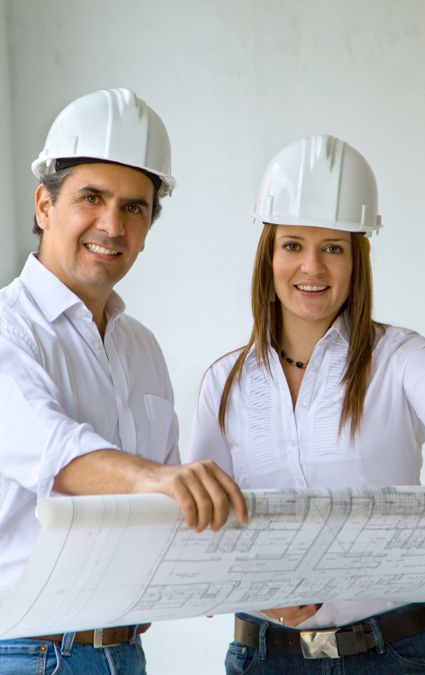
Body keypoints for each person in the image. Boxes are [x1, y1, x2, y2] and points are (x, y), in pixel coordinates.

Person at [0, 87, 247, 675]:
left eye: (134, 207)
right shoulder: (8, 331)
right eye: (92, 197)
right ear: (44, 205)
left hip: (124, 651)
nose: (112, 225)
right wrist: (160, 478)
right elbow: (57, 453)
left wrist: (254, 586)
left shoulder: (139, 348)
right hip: (25, 651)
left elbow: (163, 512)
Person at [188, 133, 425, 674]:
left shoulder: (406, 361)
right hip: (267, 658)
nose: (312, 268)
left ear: (359, 258)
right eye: (293, 245)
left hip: (403, 654)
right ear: (269, 253)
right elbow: (198, 526)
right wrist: (252, 585)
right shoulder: (225, 382)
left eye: (333, 247)